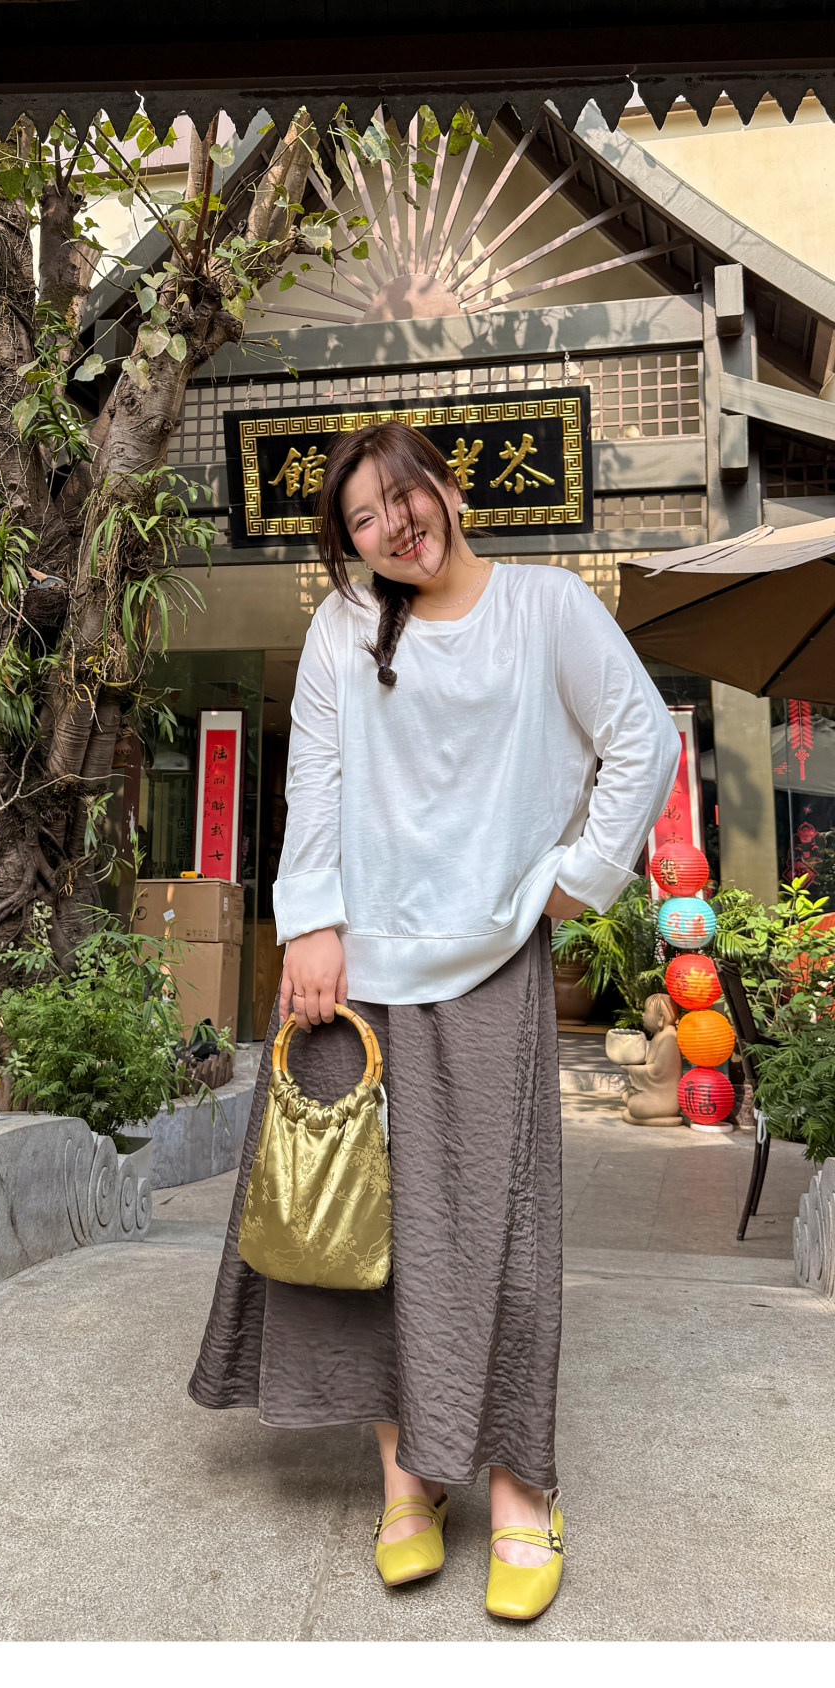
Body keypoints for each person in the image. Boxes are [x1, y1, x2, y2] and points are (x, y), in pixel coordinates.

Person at [188, 419, 680, 1622]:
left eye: (400, 498)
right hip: (352, 966)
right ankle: (405, 1477)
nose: (389, 528)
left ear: (449, 489)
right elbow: (316, 777)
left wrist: (578, 878)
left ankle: (520, 1485)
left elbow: (644, 737)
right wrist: (309, 922)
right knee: (358, 1224)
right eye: (360, 519)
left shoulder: (547, 608)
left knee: (497, 1230)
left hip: (491, 962)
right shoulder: (342, 626)